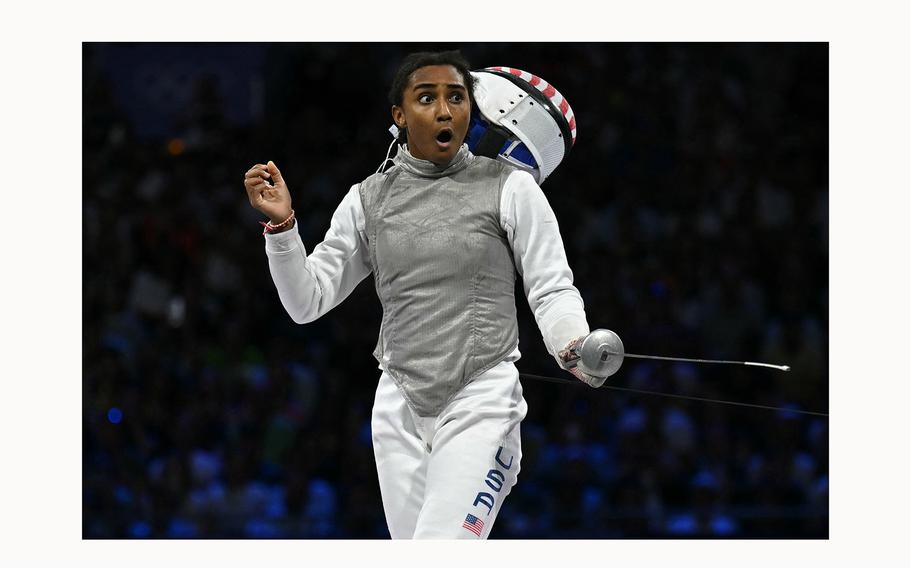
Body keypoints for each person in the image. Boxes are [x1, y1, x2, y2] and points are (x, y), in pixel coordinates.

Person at [242, 50, 604, 539]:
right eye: (426, 97)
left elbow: (551, 285)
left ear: (473, 114)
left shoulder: (512, 188)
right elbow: (306, 302)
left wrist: (573, 343)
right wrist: (283, 230)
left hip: (481, 399)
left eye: (455, 98)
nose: (442, 110)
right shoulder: (368, 198)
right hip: (397, 405)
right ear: (399, 114)